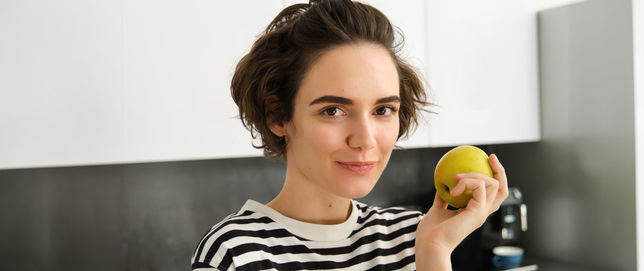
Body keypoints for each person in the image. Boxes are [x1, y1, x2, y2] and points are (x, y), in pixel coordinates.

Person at [191, 0, 508, 270]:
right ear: (278, 116)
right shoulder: (235, 253)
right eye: (333, 110)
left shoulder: (415, 236)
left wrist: (435, 251)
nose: (366, 140)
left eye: (383, 110)